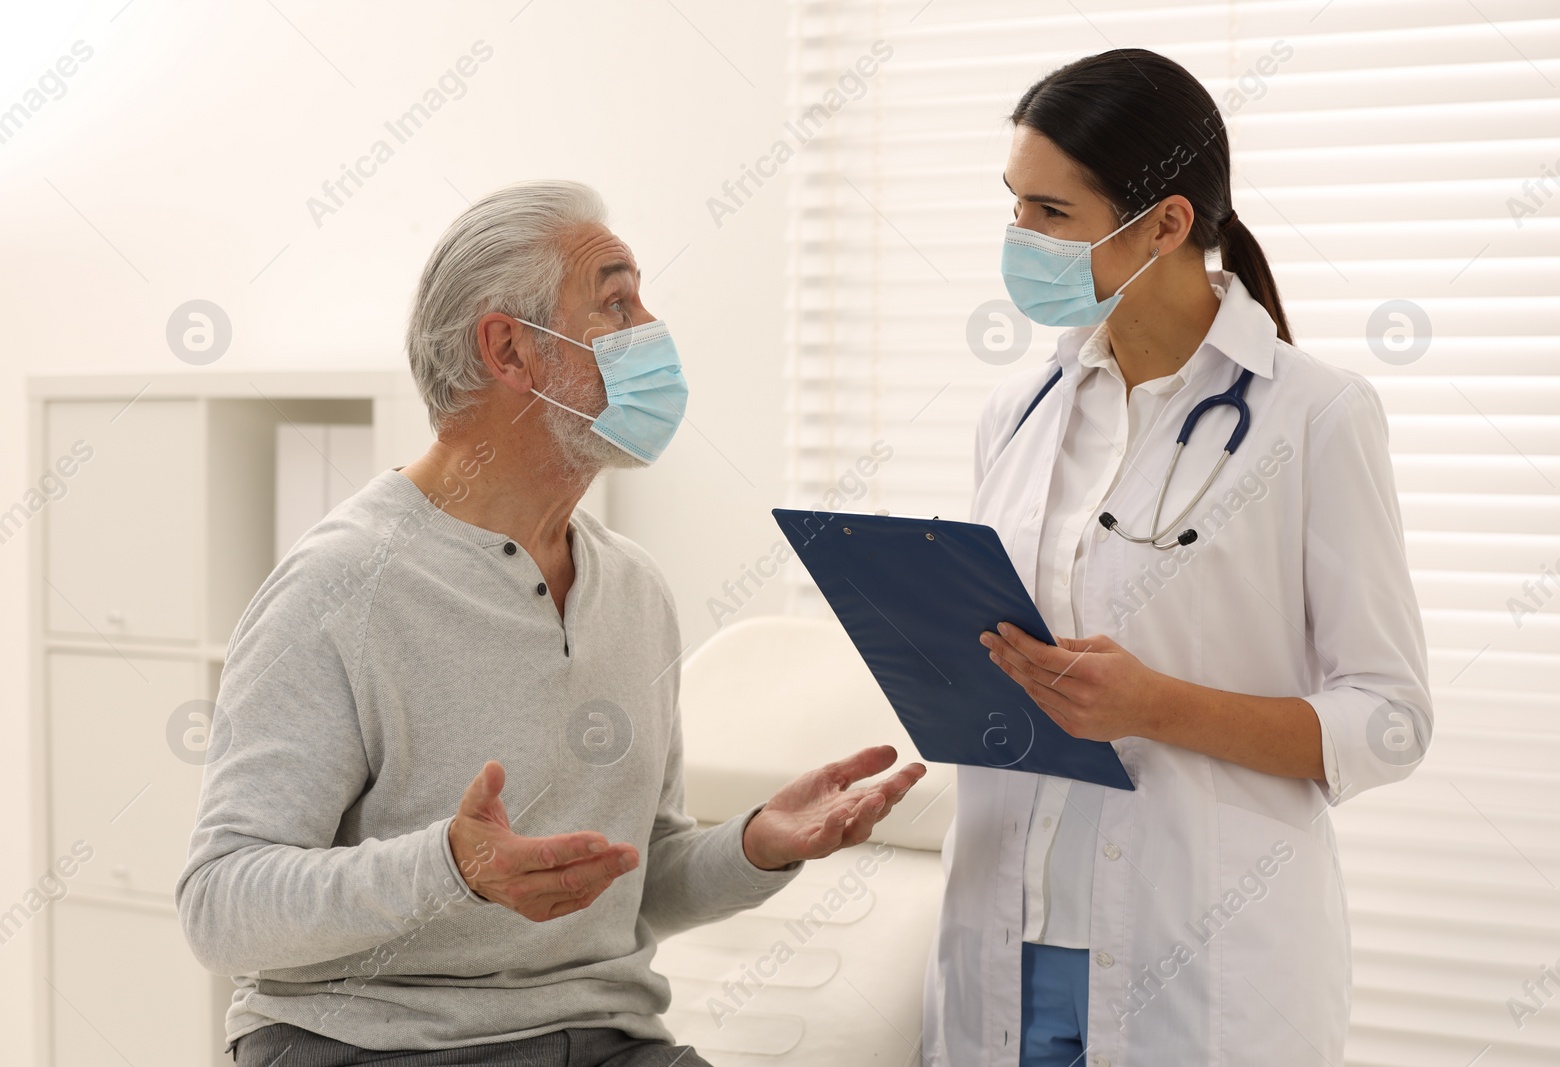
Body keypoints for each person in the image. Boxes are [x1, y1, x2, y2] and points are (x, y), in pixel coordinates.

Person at [175, 180, 927, 1067]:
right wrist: (450, 868)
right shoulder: (338, 587)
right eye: (616, 301)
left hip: (607, 1040)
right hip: (377, 1045)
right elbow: (220, 905)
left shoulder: (633, 590)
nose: (652, 328)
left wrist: (756, 845)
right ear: (510, 349)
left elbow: (628, 875)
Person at [920, 49, 1431, 1067]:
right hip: (1002, 944)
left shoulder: (1313, 417)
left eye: (1053, 214)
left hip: (1195, 969)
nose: (1021, 238)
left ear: (1167, 223)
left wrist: (1155, 705)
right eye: (1014, 205)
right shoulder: (1016, 412)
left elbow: (1389, 718)